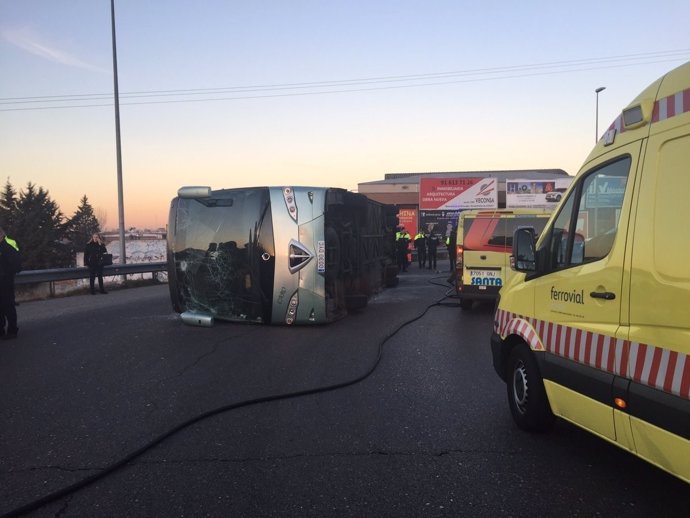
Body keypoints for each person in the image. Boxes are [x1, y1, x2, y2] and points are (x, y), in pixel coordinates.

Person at [0, 227, 21, 339]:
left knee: (8, 306)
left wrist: (6, 273)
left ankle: (12, 330)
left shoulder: (10, 243)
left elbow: (16, 263)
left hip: (6, 281)